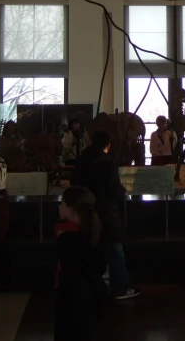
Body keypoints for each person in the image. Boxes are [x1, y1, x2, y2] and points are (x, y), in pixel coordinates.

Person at [71, 130, 140, 300]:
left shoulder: (84, 160)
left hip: (85, 209)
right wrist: (122, 191)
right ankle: (121, 287)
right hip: (106, 211)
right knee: (114, 247)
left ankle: (92, 286)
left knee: (93, 248)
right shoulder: (107, 163)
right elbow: (113, 189)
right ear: (107, 145)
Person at [54, 186, 109, 340]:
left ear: (72, 210)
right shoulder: (92, 233)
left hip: (73, 301)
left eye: (63, 203)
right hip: (90, 299)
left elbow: (68, 274)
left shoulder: (67, 239)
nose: (59, 206)